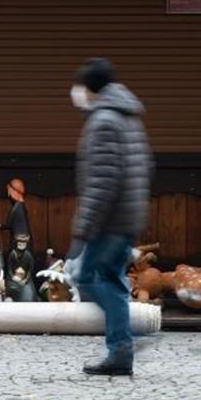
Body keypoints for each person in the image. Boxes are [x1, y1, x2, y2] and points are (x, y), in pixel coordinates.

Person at [64, 57, 153, 376]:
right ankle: (122, 344)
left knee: (89, 277)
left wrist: (83, 230)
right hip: (126, 216)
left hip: (109, 220)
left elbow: (102, 183)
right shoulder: (128, 116)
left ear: (90, 88)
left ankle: (121, 345)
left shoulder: (103, 120)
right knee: (112, 279)